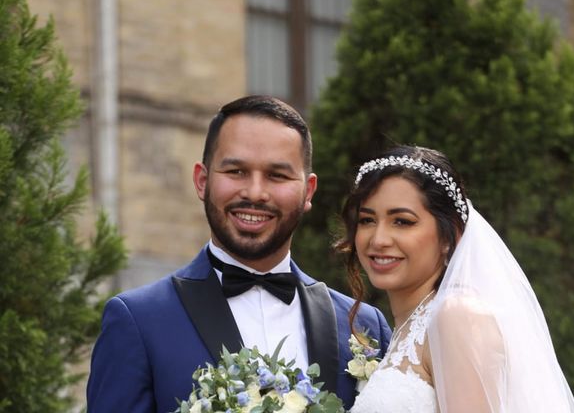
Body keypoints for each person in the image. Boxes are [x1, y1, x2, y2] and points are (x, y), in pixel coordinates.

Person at [86, 95, 392, 413]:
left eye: (277, 176)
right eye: (236, 171)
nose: (255, 193)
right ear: (202, 181)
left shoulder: (365, 328)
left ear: (308, 192)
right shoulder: (138, 321)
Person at [340, 145, 574, 412]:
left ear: (449, 234)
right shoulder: (408, 327)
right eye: (367, 220)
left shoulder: (457, 316)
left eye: (402, 221)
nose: (379, 239)